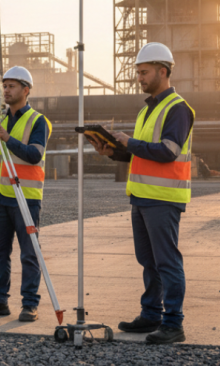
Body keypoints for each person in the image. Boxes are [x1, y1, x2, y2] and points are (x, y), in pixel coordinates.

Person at [89, 42, 194, 345]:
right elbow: (142, 156)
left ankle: (173, 323)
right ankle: (151, 314)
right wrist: (112, 151)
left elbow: (169, 152)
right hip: (142, 197)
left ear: (163, 71)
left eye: (144, 72)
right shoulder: (147, 110)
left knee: (167, 262)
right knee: (148, 260)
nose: (139, 77)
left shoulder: (178, 109)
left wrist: (130, 142)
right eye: (138, 73)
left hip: (164, 200)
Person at [0, 66, 52, 322]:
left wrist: (7, 138)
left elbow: (34, 155)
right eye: (4, 86)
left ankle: (30, 303)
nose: (5, 91)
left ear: (25, 90)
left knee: (29, 254)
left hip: (26, 198)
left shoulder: (38, 121)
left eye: (11, 86)